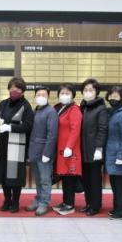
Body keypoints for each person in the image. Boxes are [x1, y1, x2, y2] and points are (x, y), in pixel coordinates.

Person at [0, 77, 34, 213]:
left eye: (17, 89)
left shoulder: (26, 106)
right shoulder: (3, 104)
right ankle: (7, 200)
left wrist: (10, 127)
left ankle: (15, 201)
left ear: (22, 91)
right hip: (3, 145)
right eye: (12, 88)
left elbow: (28, 126)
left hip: (17, 147)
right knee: (4, 174)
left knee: (15, 176)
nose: (14, 91)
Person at [25, 87, 58, 216]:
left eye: (43, 95)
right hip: (34, 151)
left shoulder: (51, 112)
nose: (40, 97)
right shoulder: (36, 110)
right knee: (38, 179)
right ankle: (38, 199)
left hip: (44, 152)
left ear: (48, 97)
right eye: (38, 95)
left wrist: (47, 153)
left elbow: (52, 134)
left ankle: (44, 203)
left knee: (45, 179)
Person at [79, 78, 108, 215]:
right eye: (85, 90)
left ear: (96, 92)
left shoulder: (100, 109)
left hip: (94, 150)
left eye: (91, 90)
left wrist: (99, 148)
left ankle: (95, 206)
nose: (87, 92)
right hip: (83, 150)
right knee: (86, 179)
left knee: (95, 180)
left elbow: (102, 129)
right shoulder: (83, 107)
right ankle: (88, 203)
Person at [53, 83, 83, 215]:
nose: (64, 95)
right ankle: (65, 201)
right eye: (62, 93)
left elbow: (75, 130)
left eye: (67, 93)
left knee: (70, 177)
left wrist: (69, 147)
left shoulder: (74, 109)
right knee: (64, 176)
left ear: (72, 95)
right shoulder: (58, 108)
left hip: (70, 149)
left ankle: (70, 204)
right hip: (60, 149)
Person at [104, 86, 122, 220]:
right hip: (111, 154)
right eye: (111, 96)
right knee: (114, 183)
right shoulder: (113, 112)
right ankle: (117, 208)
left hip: (118, 155)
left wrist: (121, 155)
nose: (112, 98)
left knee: (120, 184)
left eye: (116, 96)